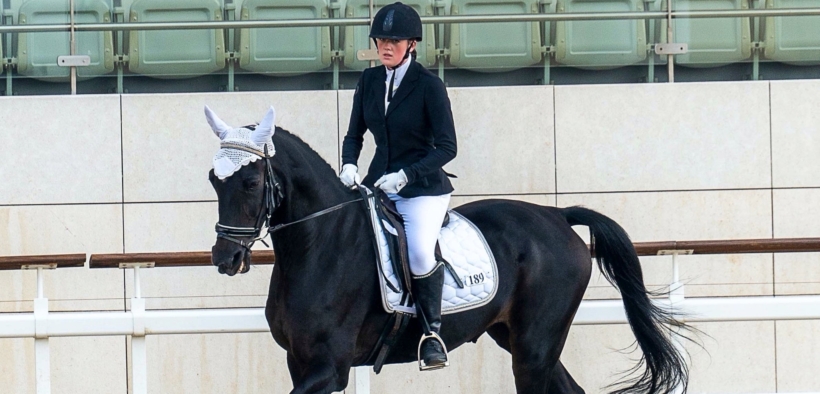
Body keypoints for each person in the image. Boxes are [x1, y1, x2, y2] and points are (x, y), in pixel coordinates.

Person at [338, 2, 457, 370]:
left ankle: (431, 333)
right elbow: (354, 133)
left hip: (422, 189)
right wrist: (348, 164)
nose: (385, 46)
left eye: (394, 40)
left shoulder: (429, 86)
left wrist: (408, 175)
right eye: (381, 39)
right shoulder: (369, 81)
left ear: (412, 44)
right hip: (377, 184)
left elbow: (447, 147)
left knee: (420, 253)